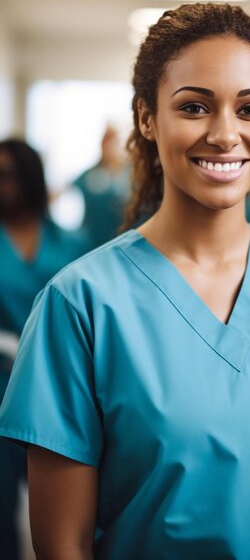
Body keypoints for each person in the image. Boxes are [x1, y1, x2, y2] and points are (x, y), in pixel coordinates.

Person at [0, 6, 250, 560]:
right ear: (146, 118)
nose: (225, 134)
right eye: (194, 107)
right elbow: (63, 545)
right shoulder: (80, 304)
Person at [0, 138, 89, 560]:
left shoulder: (71, 244)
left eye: (12, 174)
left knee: (65, 519)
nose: (5, 185)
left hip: (57, 391)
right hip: (1, 387)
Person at [73, 125, 131, 247]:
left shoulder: (132, 173)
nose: (110, 147)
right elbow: (66, 191)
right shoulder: (90, 175)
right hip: (93, 241)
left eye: (114, 142)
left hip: (125, 239)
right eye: (107, 142)